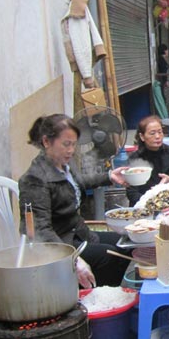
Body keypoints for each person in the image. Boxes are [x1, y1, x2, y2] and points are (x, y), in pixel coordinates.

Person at [18, 114, 130, 288]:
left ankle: (108, 292)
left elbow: (76, 185)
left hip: (78, 231)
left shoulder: (63, 165)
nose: (71, 150)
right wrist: (74, 259)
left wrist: (109, 176)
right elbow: (40, 230)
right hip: (61, 242)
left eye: (74, 144)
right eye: (66, 144)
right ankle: (95, 299)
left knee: (127, 243)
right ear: (47, 142)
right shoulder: (35, 179)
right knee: (111, 256)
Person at [126, 116, 169, 205]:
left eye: (160, 132)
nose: (158, 136)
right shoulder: (135, 158)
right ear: (142, 136)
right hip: (143, 205)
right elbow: (131, 192)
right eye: (152, 133)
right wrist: (150, 202)